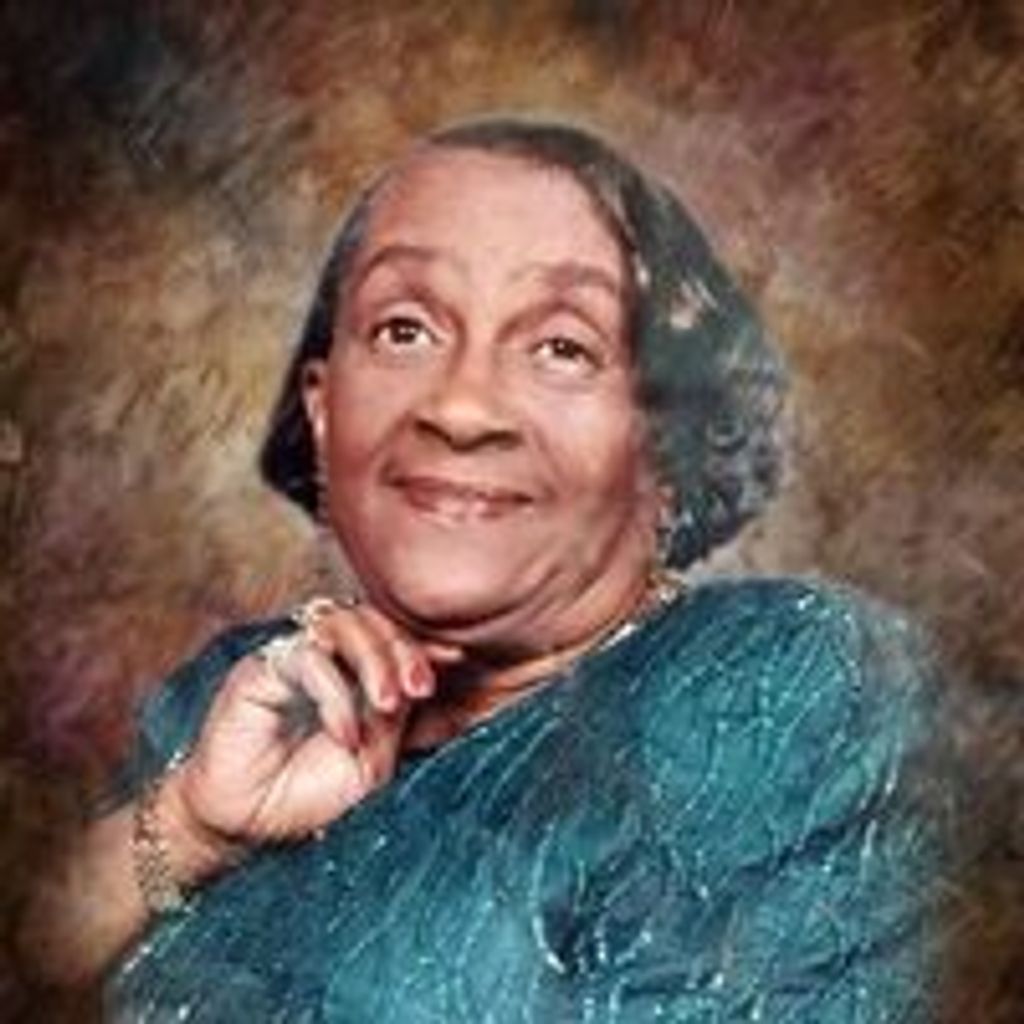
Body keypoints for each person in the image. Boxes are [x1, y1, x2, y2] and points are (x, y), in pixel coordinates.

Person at [20, 119, 944, 1021]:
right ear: (324, 410)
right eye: (405, 329)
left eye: (562, 347)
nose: (461, 409)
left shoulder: (780, 683)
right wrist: (190, 826)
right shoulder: (234, 695)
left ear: (668, 449)